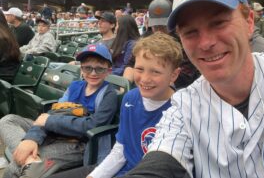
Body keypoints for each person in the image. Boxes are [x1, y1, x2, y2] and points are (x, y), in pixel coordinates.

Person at [118, 0, 264, 178]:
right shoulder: (183, 106)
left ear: (249, 22)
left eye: (219, 23)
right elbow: (158, 165)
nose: (206, 43)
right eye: (190, 32)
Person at [47, 32, 182, 178]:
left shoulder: (180, 109)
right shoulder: (130, 98)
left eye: (155, 72)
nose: (145, 79)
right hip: (119, 168)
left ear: (173, 75)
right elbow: (121, 150)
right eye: (139, 69)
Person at [0, 44, 118, 178]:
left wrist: (50, 121)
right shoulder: (75, 86)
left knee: (15, 168)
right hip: (53, 133)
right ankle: (30, 159)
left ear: (109, 70)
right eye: (88, 68)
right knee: (8, 120)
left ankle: (29, 160)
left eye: (100, 69)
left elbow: (93, 125)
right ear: (81, 69)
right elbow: (52, 114)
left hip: (76, 144)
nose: (93, 73)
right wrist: (32, 138)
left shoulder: (108, 94)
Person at [0, 12, 21, 83]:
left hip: (5, 78)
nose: (7, 16)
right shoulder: (6, 32)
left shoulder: (2, 37)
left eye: (8, 15)